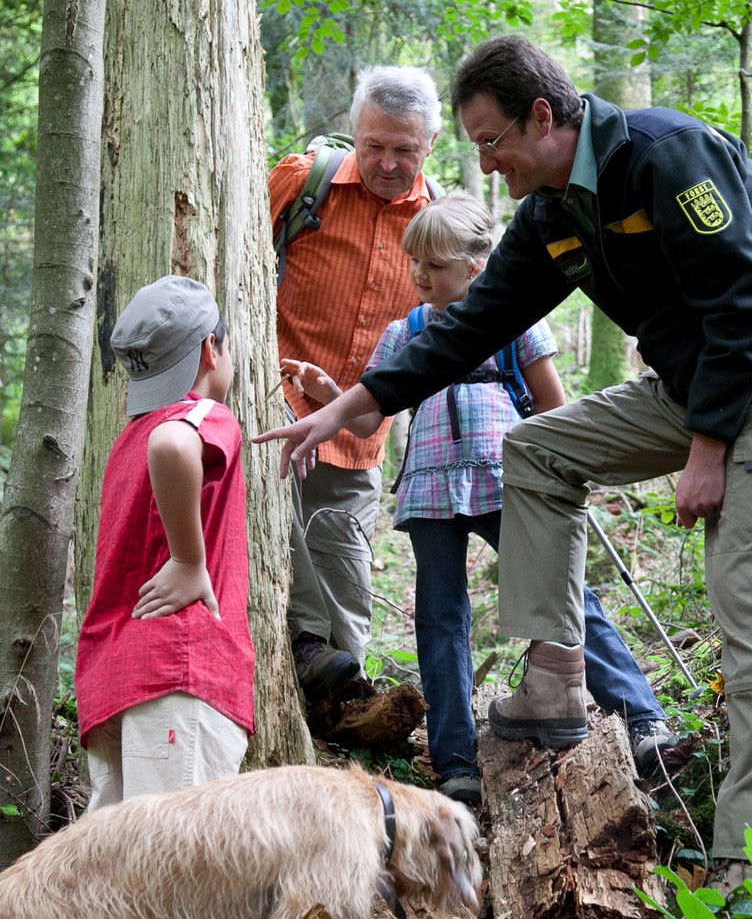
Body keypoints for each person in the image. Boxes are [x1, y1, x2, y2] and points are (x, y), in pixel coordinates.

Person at [254, 36, 752, 880]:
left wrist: (709, 448)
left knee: (751, 599)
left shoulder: (664, 154)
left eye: (490, 141)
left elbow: (751, 298)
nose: (483, 164)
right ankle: (557, 680)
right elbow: (468, 328)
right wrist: (346, 410)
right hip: (697, 381)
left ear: (542, 117)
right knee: (535, 450)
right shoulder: (551, 214)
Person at [282, 192, 676, 805]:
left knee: (565, 596)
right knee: (440, 618)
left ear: (476, 266)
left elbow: (553, 407)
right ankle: (456, 761)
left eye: (434, 266)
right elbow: (368, 420)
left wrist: (561, 477)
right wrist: (332, 393)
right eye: (414, 263)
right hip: (429, 488)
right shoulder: (404, 332)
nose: (419, 275)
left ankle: (643, 721)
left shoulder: (516, 320)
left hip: (506, 479)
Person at [76, 275, 254, 919]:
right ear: (212, 350)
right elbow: (176, 447)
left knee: (116, 896)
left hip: (117, 683)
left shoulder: (128, 437)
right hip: (180, 677)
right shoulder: (200, 416)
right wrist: (189, 560)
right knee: (178, 893)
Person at [269, 65, 443, 701]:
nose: (388, 163)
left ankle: (345, 721)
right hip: (274, 416)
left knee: (346, 616)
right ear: (354, 132)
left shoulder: (439, 224)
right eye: (374, 146)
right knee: (278, 574)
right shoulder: (301, 183)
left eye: (405, 149)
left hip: (358, 437)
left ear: (431, 144)